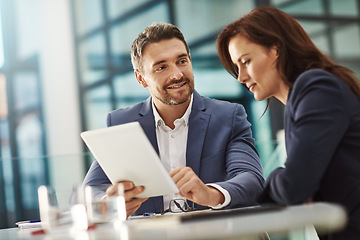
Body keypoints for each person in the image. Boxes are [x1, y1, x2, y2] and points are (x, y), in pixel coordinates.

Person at [82, 22, 264, 218]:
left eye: (182, 61)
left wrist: (211, 194)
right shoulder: (121, 122)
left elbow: (251, 178)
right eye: (161, 67)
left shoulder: (228, 116)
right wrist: (108, 204)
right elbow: (91, 191)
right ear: (141, 78)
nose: (177, 74)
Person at [216, 6, 360, 240]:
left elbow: (295, 186)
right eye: (237, 67)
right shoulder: (301, 100)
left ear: (276, 49)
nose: (241, 77)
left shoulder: (317, 87)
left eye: (246, 61)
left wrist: (276, 176)